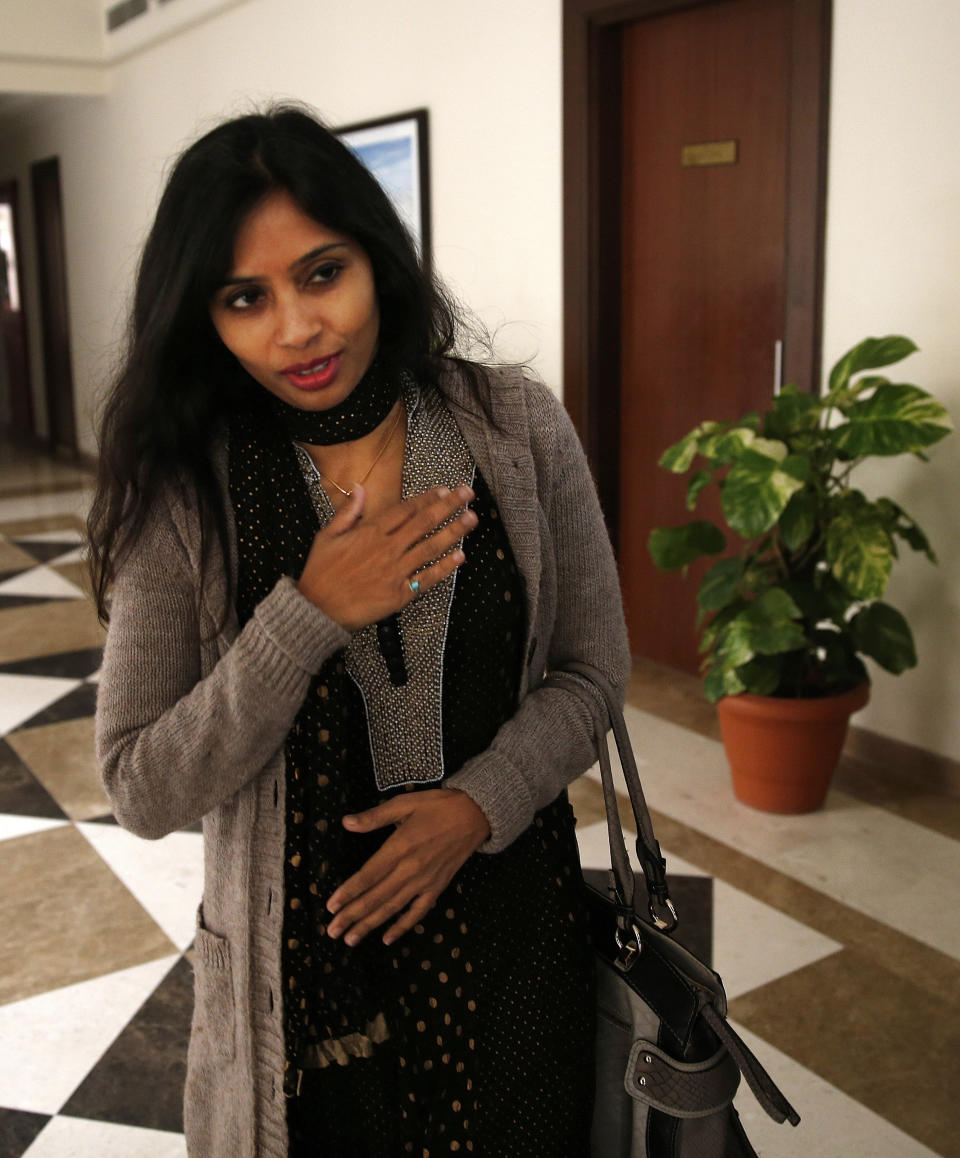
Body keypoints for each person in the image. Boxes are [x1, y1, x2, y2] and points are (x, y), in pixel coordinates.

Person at [89, 104, 630, 1158]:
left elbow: (593, 672)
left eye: (322, 274)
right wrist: (307, 615)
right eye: (247, 299)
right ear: (204, 318)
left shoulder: (514, 428)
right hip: (306, 1020)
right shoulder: (191, 492)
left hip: (517, 955)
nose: (297, 328)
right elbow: (140, 784)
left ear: (378, 261)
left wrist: (481, 802)